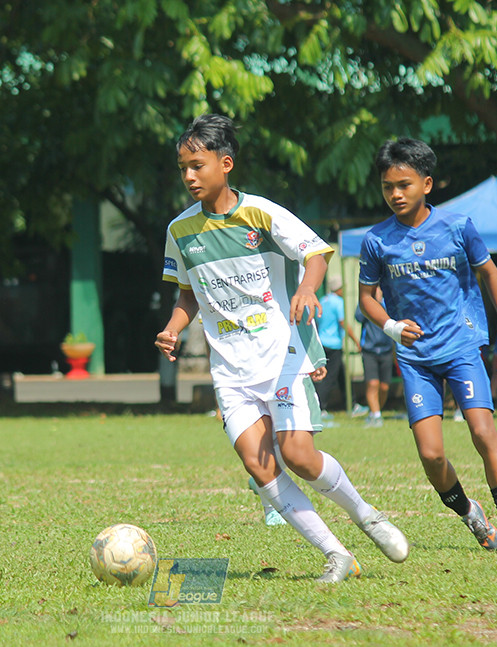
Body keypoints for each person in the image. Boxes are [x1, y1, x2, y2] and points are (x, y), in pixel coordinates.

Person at [156, 114, 409, 582]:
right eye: (182, 168)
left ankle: (366, 514)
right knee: (259, 464)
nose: (189, 176)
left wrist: (309, 290)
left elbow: (315, 252)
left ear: (225, 163)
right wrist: (173, 328)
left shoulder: (262, 214)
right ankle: (338, 555)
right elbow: (187, 294)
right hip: (229, 369)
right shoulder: (179, 231)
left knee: (299, 456)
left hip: (281, 356)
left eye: (197, 165)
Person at [357, 137, 497, 558]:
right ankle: (471, 513)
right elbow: (365, 298)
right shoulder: (376, 241)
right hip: (415, 359)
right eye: (387, 187)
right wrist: (393, 327)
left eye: (404, 184)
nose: (395, 194)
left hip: (461, 346)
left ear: (427, 183)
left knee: (483, 431)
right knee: (432, 455)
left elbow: (490, 274)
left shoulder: (457, 227)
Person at [314, 275, 369, 418]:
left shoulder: (323, 301)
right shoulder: (338, 302)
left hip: (322, 342)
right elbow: (343, 323)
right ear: (338, 289)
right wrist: (355, 340)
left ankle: (352, 404)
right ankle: (320, 408)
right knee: (329, 377)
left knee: (342, 376)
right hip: (334, 344)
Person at [354, 285, 396, 427]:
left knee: (384, 387)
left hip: (386, 350)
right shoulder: (365, 304)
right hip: (369, 350)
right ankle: (376, 414)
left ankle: (375, 411)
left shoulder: (387, 303)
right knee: (372, 383)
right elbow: (358, 317)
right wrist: (371, 302)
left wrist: (380, 302)